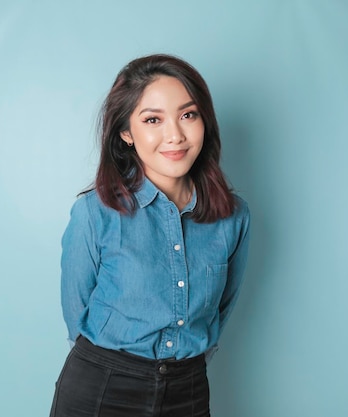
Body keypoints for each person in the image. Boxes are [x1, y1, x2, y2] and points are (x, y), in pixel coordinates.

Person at [50, 54, 250, 417]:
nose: (175, 135)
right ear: (126, 132)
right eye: (153, 120)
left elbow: (221, 307)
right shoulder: (95, 213)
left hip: (187, 390)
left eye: (188, 115)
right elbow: (75, 311)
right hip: (102, 387)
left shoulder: (232, 217)